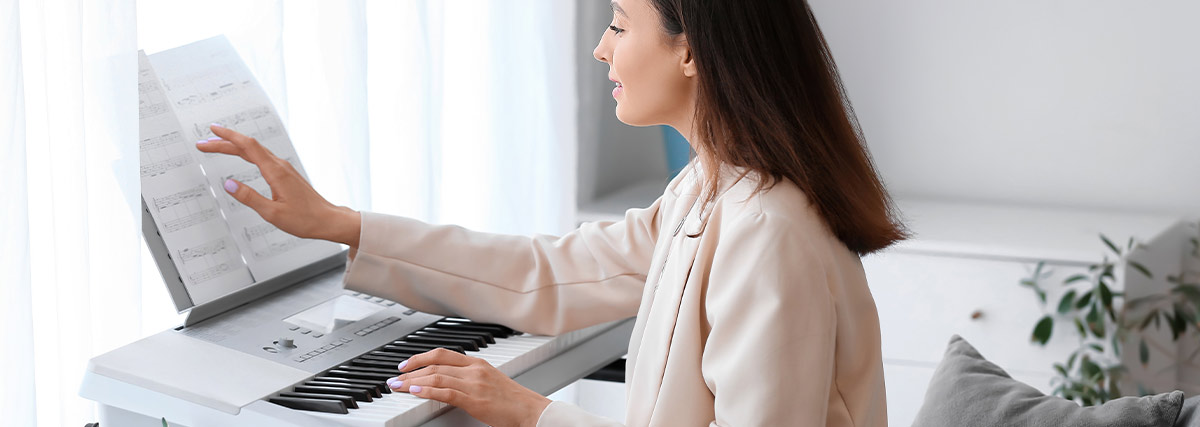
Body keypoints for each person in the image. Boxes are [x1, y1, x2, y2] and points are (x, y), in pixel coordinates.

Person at [197, 0, 907, 425]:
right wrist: (341, 223)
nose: (602, 47)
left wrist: (532, 410)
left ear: (690, 51)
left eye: (620, 25)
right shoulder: (705, 191)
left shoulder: (768, 232)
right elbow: (547, 271)